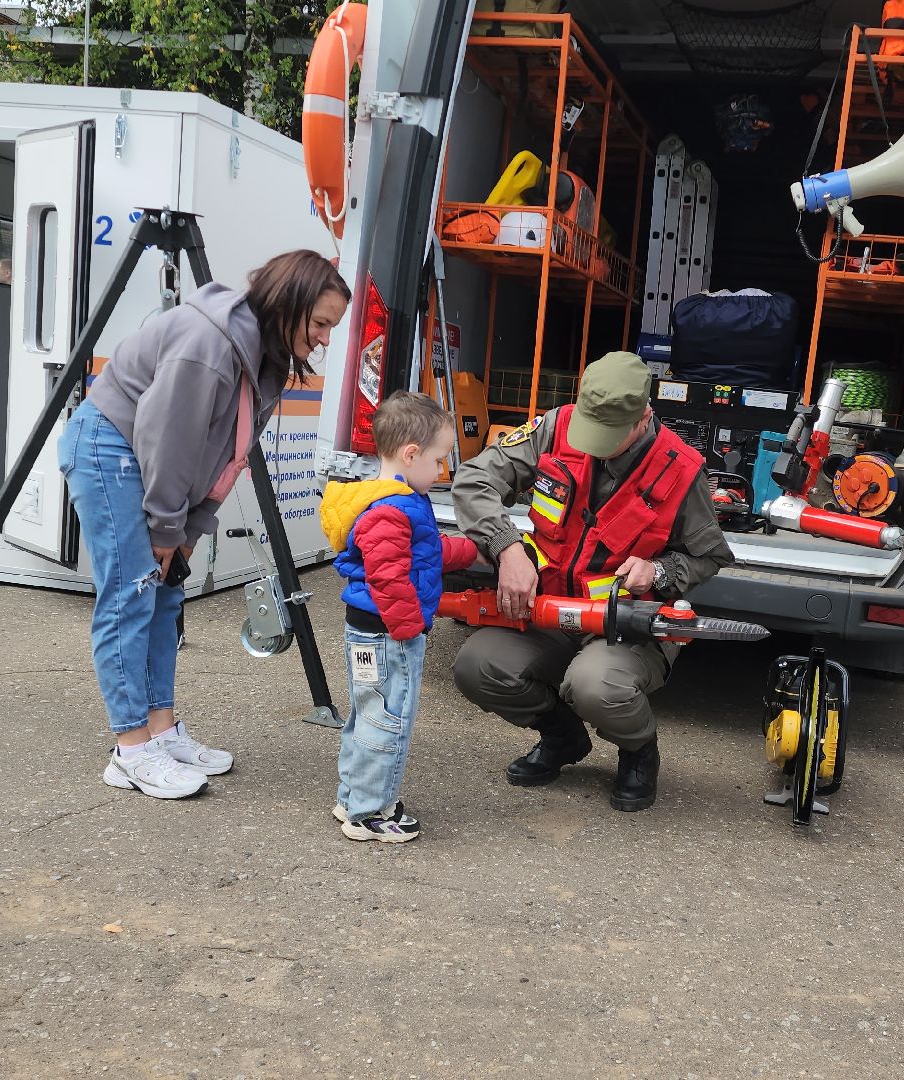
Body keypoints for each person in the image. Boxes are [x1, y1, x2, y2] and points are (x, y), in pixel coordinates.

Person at [57, 248, 350, 800]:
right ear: (287, 304)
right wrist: (165, 528)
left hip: (154, 467)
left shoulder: (265, 356)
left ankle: (160, 730)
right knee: (132, 591)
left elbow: (223, 456)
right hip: (112, 448)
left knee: (166, 594)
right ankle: (130, 749)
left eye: (331, 327)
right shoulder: (208, 346)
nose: (325, 338)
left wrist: (188, 530)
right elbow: (167, 441)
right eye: (319, 323)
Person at [451, 351, 735, 812]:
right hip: (549, 610)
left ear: (644, 417)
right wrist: (506, 548)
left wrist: (659, 571)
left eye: (610, 436)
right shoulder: (556, 428)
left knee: (594, 685)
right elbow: (474, 478)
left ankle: (639, 751)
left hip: (626, 623)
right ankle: (562, 739)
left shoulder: (681, 471)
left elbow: (711, 555)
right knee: (478, 667)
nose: (595, 445)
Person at [318, 392, 479, 842]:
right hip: (389, 635)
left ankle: (353, 797)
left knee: (367, 713)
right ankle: (370, 814)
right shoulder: (394, 508)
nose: (442, 470)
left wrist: (474, 548)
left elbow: (422, 553)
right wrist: (409, 629)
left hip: (371, 631)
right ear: (411, 454)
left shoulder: (392, 499)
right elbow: (389, 577)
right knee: (388, 718)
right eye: (439, 460)